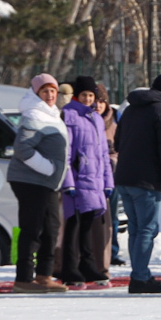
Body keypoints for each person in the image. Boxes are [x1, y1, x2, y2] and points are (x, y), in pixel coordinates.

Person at [114, 73, 161, 293]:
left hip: (124, 176)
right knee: (147, 229)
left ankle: (139, 274)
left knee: (135, 229)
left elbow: (117, 141)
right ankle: (140, 277)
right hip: (147, 179)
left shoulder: (131, 108)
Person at [7, 75, 72, 293]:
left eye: (53, 91)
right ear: (36, 94)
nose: (51, 95)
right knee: (32, 228)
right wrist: (49, 168)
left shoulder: (52, 115)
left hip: (48, 183)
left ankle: (44, 275)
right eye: (45, 91)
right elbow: (23, 148)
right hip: (31, 181)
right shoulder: (34, 115)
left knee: (51, 228)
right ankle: (23, 278)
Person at [58, 75, 114, 287]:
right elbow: (66, 152)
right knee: (73, 223)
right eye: (84, 95)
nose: (89, 99)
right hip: (78, 178)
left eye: (91, 95)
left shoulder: (97, 119)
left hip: (95, 180)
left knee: (88, 224)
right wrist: (68, 181)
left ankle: (87, 264)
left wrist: (108, 181)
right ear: (77, 96)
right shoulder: (69, 116)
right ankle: (70, 267)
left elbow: (102, 154)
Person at [96, 84, 123, 265]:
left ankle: (112, 251)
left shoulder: (114, 124)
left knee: (111, 217)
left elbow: (119, 149)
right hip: (91, 177)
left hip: (110, 176)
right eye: (95, 101)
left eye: (101, 101)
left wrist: (112, 163)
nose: (98, 105)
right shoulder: (86, 121)